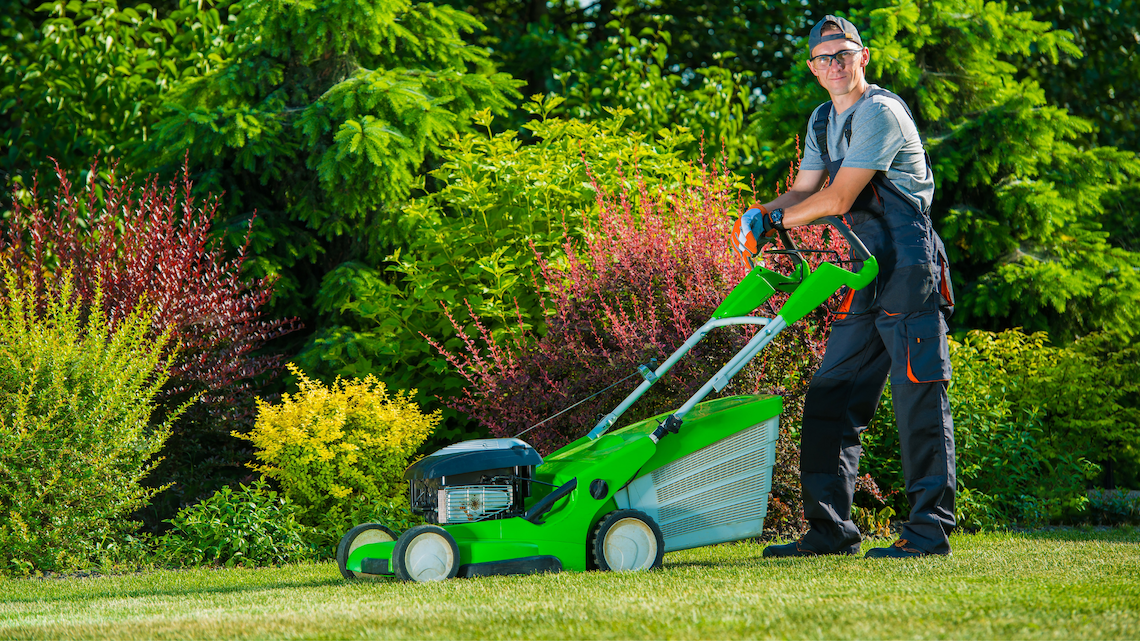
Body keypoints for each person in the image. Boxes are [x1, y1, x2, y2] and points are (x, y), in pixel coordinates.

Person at [737, 15, 957, 558]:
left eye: (844, 53)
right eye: (824, 57)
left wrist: (778, 225)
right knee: (832, 392)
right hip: (866, 269)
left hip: (910, 269)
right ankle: (829, 529)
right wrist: (760, 213)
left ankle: (928, 533)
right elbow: (805, 190)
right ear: (813, 69)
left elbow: (836, 201)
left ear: (864, 58)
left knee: (918, 397)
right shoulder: (821, 121)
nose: (835, 64)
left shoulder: (880, 111)